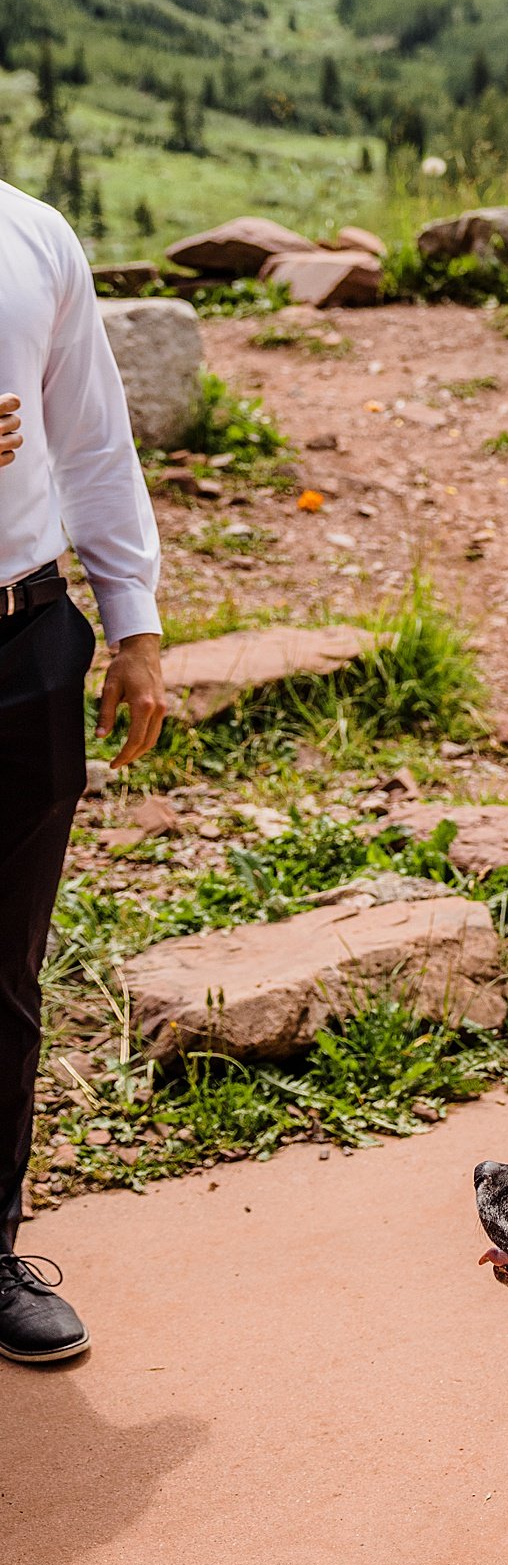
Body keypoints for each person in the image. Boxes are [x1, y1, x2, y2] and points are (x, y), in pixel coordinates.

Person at [0, 182, 165, 1366]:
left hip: (23, 637)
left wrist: (134, 621)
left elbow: (92, 437)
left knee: (3, 971)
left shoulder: (30, 230)